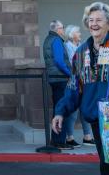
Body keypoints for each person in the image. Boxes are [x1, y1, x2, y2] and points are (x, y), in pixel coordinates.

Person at [53, 2, 109, 175]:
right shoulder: (81, 53)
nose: (94, 23)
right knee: (108, 164)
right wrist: (61, 111)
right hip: (95, 117)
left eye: (99, 20)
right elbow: (74, 86)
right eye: (90, 20)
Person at [42, 19, 73, 149]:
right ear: (57, 29)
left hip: (54, 78)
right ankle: (59, 141)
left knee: (57, 108)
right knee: (61, 109)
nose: (63, 30)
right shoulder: (56, 40)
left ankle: (56, 140)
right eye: (62, 28)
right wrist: (70, 73)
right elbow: (60, 61)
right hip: (60, 79)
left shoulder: (48, 39)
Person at [62, 24, 86, 147]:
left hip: (84, 80)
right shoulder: (67, 46)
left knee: (85, 107)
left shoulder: (81, 46)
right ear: (72, 35)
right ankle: (69, 137)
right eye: (78, 32)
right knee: (73, 111)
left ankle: (87, 137)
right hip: (73, 81)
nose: (80, 34)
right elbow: (73, 63)